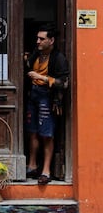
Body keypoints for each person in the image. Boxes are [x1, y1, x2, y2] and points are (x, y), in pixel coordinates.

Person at [25, 23, 69, 185]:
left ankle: (46, 171)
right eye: (37, 38)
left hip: (47, 97)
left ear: (51, 40)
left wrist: (42, 77)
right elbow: (27, 66)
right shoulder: (36, 54)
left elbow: (64, 83)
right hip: (33, 95)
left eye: (41, 39)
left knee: (46, 134)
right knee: (32, 131)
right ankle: (32, 165)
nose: (37, 41)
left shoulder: (58, 58)